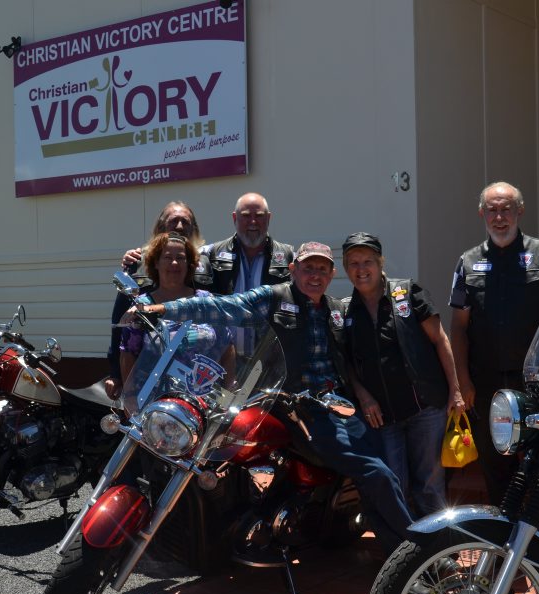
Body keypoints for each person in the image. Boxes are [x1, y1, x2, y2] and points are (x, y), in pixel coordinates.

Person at [126, 242, 414, 555]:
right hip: (295, 407)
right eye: (308, 267)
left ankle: (403, 552)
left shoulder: (335, 309)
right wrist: (163, 309)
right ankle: (414, 552)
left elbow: (352, 357)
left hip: (334, 405)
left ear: (332, 274)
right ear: (293, 270)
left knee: (378, 474)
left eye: (322, 269)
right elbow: (223, 307)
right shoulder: (274, 297)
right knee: (376, 473)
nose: (314, 275)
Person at [449, 181, 539, 505]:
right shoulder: (467, 261)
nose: (499, 217)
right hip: (485, 386)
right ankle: (504, 546)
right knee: (495, 467)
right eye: (492, 210)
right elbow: (458, 327)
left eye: (506, 209)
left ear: (520, 211)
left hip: (535, 383)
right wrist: (462, 381)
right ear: (481, 214)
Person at [341, 232, 464, 517]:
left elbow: (440, 340)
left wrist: (455, 391)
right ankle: (407, 556)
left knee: (430, 487)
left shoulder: (407, 292)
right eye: (354, 263)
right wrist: (363, 395)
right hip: (383, 418)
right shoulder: (345, 310)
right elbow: (345, 362)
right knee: (395, 486)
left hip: (426, 410)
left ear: (381, 262)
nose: (361, 269)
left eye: (368, 261)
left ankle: (439, 554)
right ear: (346, 269)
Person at [105, 201, 210, 399]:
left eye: (185, 222)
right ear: (160, 227)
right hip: (150, 371)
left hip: (195, 374)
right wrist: (116, 374)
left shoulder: (207, 262)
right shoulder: (139, 263)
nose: (179, 227)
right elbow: (119, 323)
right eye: (174, 221)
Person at [119, 231, 232, 406]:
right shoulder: (142, 306)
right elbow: (127, 353)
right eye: (167, 257)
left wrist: (229, 393)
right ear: (155, 262)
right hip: (154, 405)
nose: (174, 263)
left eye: (180, 258)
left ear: (190, 264)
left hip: (203, 404)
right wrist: (131, 398)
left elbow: (227, 346)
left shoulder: (206, 302)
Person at [201, 192, 295, 295]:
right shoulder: (212, 254)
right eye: (246, 215)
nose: (253, 222)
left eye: (259, 216)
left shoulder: (289, 256)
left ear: (268, 218)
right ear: (234, 218)